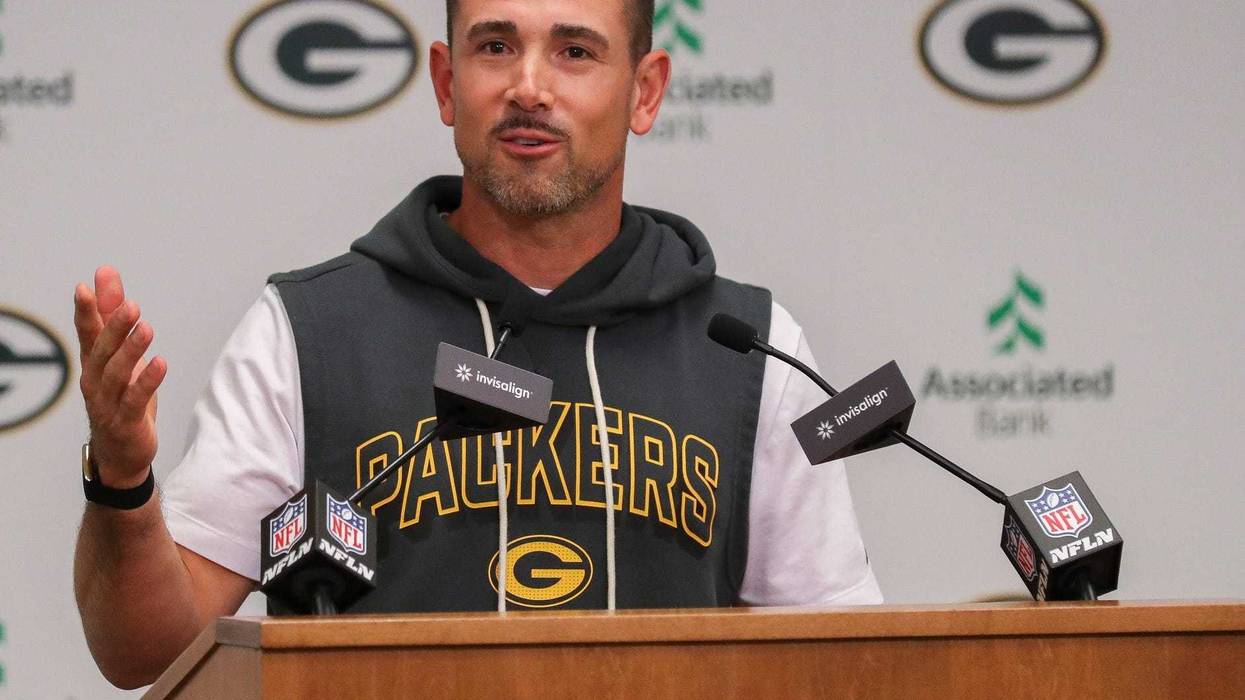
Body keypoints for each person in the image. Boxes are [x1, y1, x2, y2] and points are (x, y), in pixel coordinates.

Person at [72, 0, 880, 689]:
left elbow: (841, 667)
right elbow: (144, 651)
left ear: (645, 91)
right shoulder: (309, 330)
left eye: (573, 51)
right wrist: (120, 479)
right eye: (495, 46)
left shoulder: (753, 351)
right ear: (448, 84)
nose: (529, 86)